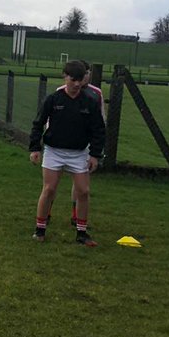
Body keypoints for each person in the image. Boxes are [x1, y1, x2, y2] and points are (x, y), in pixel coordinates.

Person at [29, 59, 106, 246]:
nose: (77, 84)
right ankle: (40, 229)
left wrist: (94, 155)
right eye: (73, 80)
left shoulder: (90, 102)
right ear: (65, 77)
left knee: (84, 191)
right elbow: (38, 123)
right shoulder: (53, 99)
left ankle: (81, 233)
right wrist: (35, 148)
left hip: (78, 153)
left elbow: (98, 130)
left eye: (80, 80)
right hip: (54, 151)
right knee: (49, 189)